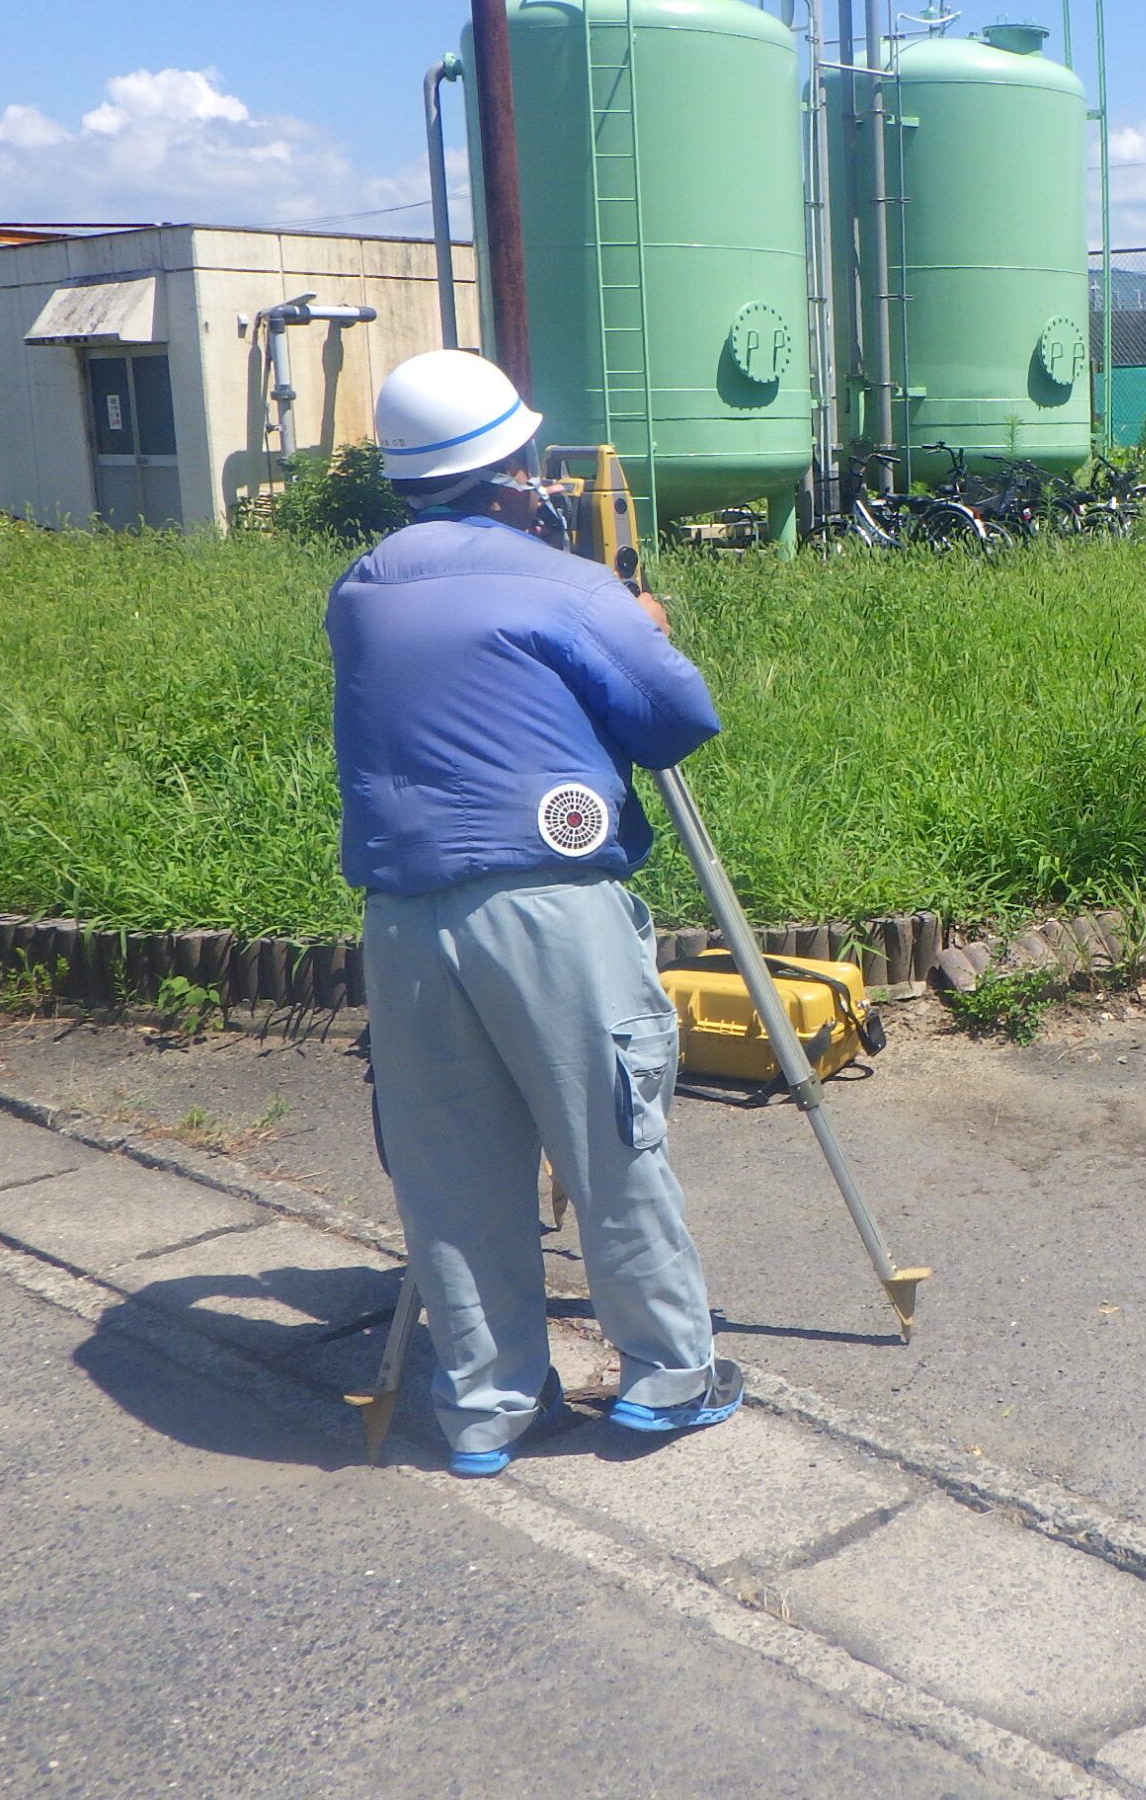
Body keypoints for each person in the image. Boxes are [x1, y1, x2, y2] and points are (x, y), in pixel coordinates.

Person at [326, 348, 741, 1477]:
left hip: (404, 918)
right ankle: (668, 1378)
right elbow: (673, 719)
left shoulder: (360, 583)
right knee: (611, 1142)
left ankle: (491, 1410)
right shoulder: (565, 585)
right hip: (548, 903)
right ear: (512, 466)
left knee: (450, 1167)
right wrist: (640, 619)